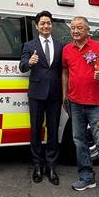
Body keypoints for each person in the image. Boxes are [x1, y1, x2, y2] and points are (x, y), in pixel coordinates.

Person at [62, 16, 99, 197]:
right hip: (75, 103)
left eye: (79, 28)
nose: (75, 31)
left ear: (87, 30)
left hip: (96, 104)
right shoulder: (67, 49)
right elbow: (65, 72)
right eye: (73, 28)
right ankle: (86, 177)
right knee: (79, 141)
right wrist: (64, 95)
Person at [18, 10, 64, 185]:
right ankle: (37, 165)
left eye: (49, 23)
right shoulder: (29, 46)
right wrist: (29, 62)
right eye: (42, 23)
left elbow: (64, 70)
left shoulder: (61, 45)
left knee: (53, 130)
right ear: (37, 26)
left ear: (52, 25)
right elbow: (22, 67)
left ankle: (51, 166)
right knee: (36, 130)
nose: (46, 26)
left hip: (55, 94)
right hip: (36, 94)